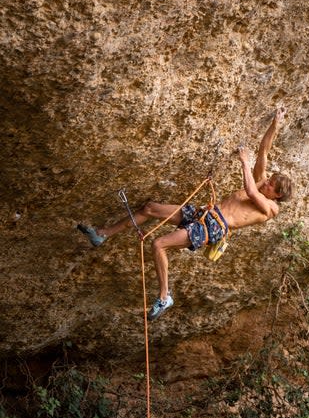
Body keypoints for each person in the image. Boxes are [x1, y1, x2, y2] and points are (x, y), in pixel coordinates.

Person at [78, 108, 292, 320]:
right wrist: (275, 124)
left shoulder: (271, 208)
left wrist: (245, 162)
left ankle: (164, 297)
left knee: (158, 244)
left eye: (271, 185)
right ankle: (102, 234)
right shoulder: (263, 184)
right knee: (150, 208)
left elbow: (251, 191)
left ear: (277, 196)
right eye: (269, 180)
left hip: (212, 228)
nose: (266, 183)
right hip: (204, 214)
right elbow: (264, 151)